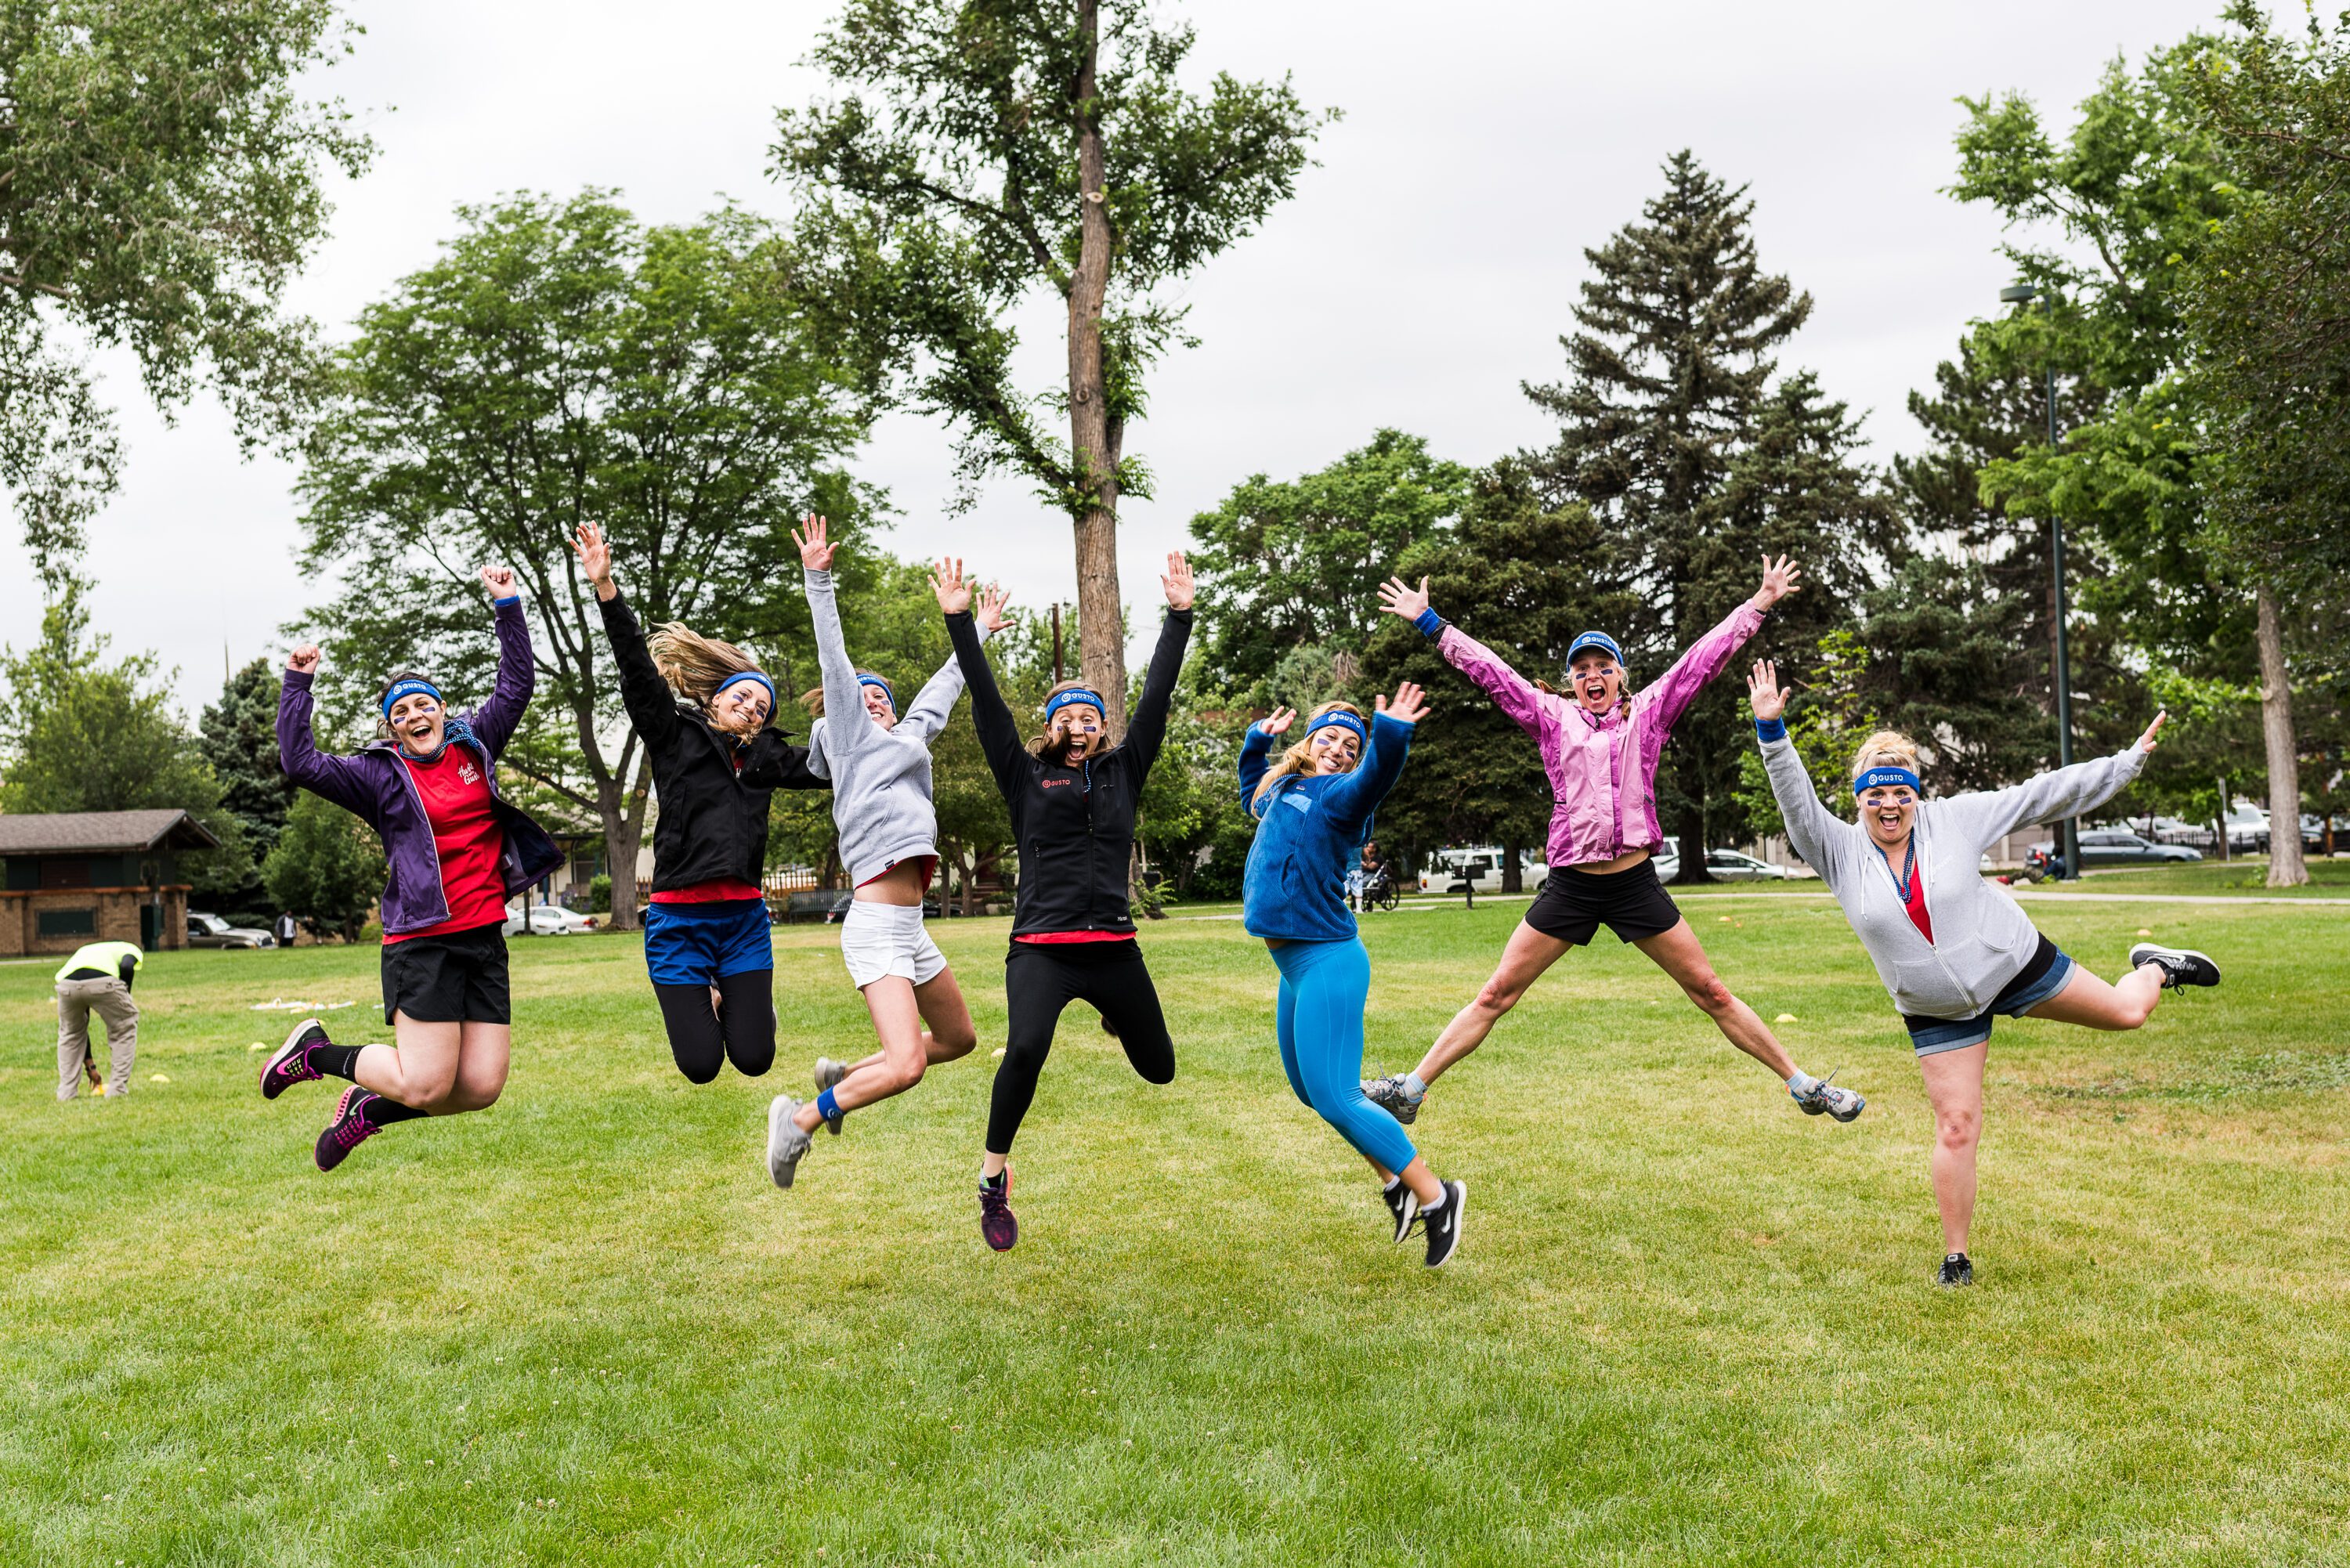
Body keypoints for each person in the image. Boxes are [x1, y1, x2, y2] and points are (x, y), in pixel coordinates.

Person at [1748, 661, 2216, 1287]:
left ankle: (2156, 966)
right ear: (1859, 799)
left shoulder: (1957, 820)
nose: (1890, 805)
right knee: (1958, 1124)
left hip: (2013, 962)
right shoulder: (1833, 849)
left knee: (2128, 1013)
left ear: (1916, 790)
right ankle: (1957, 1258)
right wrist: (1772, 731)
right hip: (1939, 1009)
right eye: (1875, 794)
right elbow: (1795, 801)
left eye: (1901, 791)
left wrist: (2124, 763)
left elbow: (2040, 794)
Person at [1358, 558, 1866, 1128]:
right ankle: (1411, 1089)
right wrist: (1432, 623)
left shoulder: (1648, 714)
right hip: (1572, 887)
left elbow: (1702, 659)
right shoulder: (1551, 717)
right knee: (1497, 993)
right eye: (1581, 670)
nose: (1591, 676)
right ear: (1572, 681)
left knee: (1711, 991)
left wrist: (1760, 604)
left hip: (1632, 885)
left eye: (1603, 666)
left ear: (1620, 675)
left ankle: (1803, 1085)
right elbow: (1492, 673)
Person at [261, 567, 564, 1171]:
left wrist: (508, 605)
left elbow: (517, 685)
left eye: (424, 704)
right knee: (425, 1084)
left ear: (443, 710)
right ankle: (315, 1054)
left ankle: (365, 1113)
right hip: (422, 943)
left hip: (482, 938)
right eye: (402, 712)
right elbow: (299, 762)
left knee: (479, 1088)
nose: (415, 715)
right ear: (392, 727)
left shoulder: (475, 744)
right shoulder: (377, 776)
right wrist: (298, 682)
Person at [939, 551, 1195, 1251]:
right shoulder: (1023, 776)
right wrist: (962, 625)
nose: (1079, 724)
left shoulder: (1124, 770)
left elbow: (1157, 698)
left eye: (1089, 716)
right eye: (1067, 717)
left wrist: (1179, 617)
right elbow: (988, 706)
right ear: (1050, 728)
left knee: (1160, 1069)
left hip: (1113, 947)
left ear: (1103, 729)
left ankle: (1117, 1015)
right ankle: (992, 1179)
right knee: (1024, 1049)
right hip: (1043, 949)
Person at [764, 515, 1009, 1188]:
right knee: (907, 1065)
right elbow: (833, 660)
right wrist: (819, 579)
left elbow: (944, 688)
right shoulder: (849, 740)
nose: (872, 700)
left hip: (911, 926)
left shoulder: (909, 741)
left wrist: (979, 630)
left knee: (956, 1040)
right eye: (864, 697)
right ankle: (800, 1120)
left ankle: (842, 1075)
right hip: (874, 923)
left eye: (883, 698)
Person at [571, 520, 828, 1086]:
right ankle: (711, 997)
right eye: (744, 697)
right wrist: (606, 589)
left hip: (741, 920)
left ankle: (742, 1005)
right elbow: (638, 673)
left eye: (764, 706)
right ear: (715, 698)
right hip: (677, 920)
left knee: (755, 1059)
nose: (754, 709)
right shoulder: (675, 735)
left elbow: (836, 766)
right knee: (701, 1066)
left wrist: (883, 729)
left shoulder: (767, 759)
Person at [1240, 685, 1469, 1268]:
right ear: (1310, 741)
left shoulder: (1343, 797)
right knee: (1309, 1091)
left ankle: (1438, 1196)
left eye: (1351, 744)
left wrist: (1389, 735)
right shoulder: (1284, 787)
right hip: (1293, 967)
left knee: (1339, 1095)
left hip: (1328, 961)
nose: (1340, 750)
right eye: (1330, 738)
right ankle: (1395, 1185)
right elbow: (1250, 791)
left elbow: (1378, 775)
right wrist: (1257, 741)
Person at [55, 940, 142, 1101]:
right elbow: (127, 967)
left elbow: (82, 1027)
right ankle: (117, 1091)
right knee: (124, 1028)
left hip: (67, 984)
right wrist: (125, 995)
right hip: (103, 982)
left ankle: (66, 1094)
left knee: (71, 1034)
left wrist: (91, 1068)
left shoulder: (86, 950)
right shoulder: (131, 949)